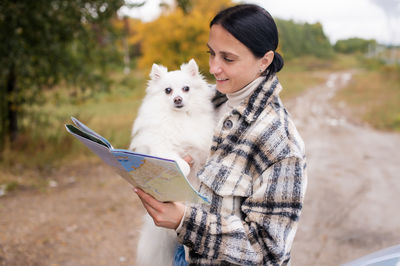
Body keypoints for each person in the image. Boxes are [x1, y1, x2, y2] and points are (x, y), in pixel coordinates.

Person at [134, 3, 307, 265]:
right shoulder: (205, 102)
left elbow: (268, 252)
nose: (214, 68)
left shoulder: (280, 142)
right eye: (211, 53)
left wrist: (185, 220)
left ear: (265, 61)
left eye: (227, 58)